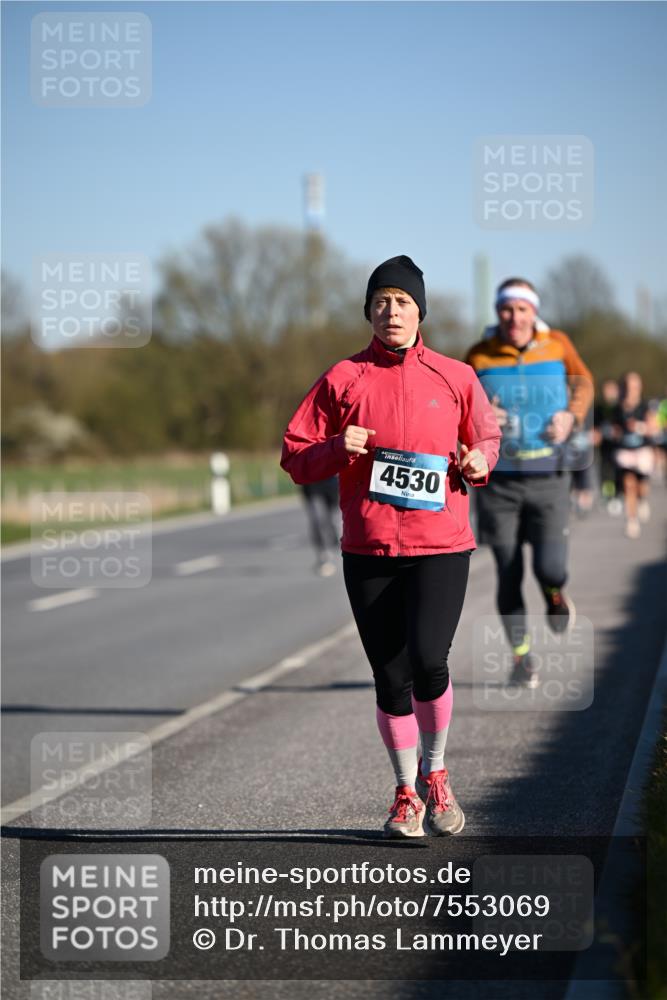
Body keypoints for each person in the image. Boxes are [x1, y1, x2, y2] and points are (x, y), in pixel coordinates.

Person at [282, 255, 500, 838]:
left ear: (419, 311)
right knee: (389, 673)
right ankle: (405, 792)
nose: (391, 311)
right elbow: (294, 455)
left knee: (430, 661)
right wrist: (335, 448)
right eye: (380, 301)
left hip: (441, 545)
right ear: (368, 313)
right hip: (370, 548)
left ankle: (436, 774)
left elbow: (485, 437)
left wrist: (480, 462)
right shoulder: (343, 378)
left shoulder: (455, 376)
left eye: (402, 301)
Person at [465, 278, 594, 688]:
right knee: (507, 570)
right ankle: (522, 658)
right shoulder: (479, 355)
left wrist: (571, 416)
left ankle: (555, 595)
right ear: (497, 312)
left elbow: (584, 384)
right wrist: (483, 417)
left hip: (549, 477)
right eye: (507, 309)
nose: (514, 317)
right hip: (498, 483)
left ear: (533, 311)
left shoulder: (557, 344)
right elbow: (461, 403)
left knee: (549, 566)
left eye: (522, 309)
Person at [612, 371, 659, 539]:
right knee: (628, 485)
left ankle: (643, 499)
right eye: (628, 387)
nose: (631, 390)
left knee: (641, 487)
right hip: (625, 452)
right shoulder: (617, 409)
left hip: (642, 451)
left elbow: (654, 428)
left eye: (634, 387)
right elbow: (613, 430)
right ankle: (631, 520)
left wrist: (639, 427)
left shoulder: (645, 406)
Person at [593, 378, 622, 514]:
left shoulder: (620, 408)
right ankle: (608, 495)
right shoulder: (598, 408)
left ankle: (618, 495)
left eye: (611, 390)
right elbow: (594, 427)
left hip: (619, 446)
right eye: (606, 390)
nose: (609, 393)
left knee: (618, 470)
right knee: (605, 471)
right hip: (604, 446)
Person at [301, 477, 340, 576]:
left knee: (332, 521)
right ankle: (323, 556)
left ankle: (336, 545)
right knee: (316, 520)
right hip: (311, 481)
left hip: (331, 481)